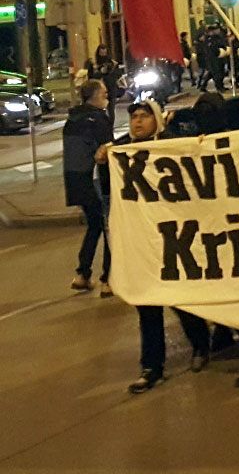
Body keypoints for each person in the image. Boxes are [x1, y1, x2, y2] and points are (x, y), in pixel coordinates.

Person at [103, 101, 213, 393]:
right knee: (147, 306)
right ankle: (151, 367)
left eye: (144, 117)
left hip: (173, 238)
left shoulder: (169, 146)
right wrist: (103, 160)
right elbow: (109, 191)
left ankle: (201, 345)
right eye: (134, 117)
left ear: (157, 121)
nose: (137, 122)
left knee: (182, 299)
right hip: (142, 241)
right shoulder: (121, 150)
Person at [65, 80, 115, 296]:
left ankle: (82, 274)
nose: (107, 96)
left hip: (77, 181)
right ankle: (108, 279)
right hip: (97, 181)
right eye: (104, 92)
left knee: (94, 226)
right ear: (94, 95)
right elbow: (107, 150)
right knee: (109, 228)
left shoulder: (73, 119)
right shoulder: (98, 118)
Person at [86, 45, 122, 124]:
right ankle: (101, 125)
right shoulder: (94, 64)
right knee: (99, 109)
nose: (103, 55)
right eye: (101, 53)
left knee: (111, 109)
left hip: (111, 89)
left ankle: (110, 126)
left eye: (104, 53)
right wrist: (101, 73)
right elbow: (90, 77)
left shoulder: (113, 63)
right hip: (98, 90)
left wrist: (110, 73)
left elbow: (118, 74)